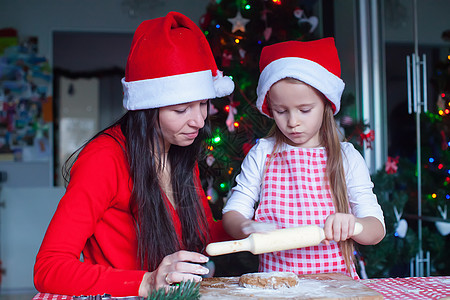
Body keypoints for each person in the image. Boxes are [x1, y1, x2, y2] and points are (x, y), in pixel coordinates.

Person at [34, 11, 234, 297]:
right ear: (147, 108)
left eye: (203, 104)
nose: (199, 121)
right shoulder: (104, 159)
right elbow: (49, 268)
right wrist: (148, 281)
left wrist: (245, 226)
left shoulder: (179, 149)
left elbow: (200, 237)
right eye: (181, 110)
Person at [222, 38, 385, 279]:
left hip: (336, 287)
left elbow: (376, 230)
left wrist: (353, 225)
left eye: (305, 110)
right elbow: (233, 213)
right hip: (277, 285)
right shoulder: (263, 153)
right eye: (281, 111)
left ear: (326, 105)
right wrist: (245, 227)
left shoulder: (346, 157)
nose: (293, 122)